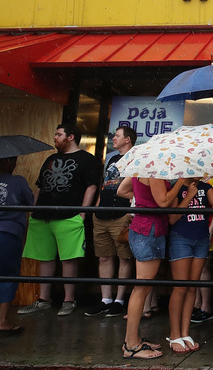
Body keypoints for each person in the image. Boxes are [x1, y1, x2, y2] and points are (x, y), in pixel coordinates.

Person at [17, 124, 101, 317]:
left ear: (70, 137)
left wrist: (82, 213)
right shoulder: (51, 158)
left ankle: (69, 300)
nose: (55, 137)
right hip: (42, 215)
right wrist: (33, 209)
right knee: (44, 258)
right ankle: (44, 300)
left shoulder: (86, 159)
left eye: (58, 134)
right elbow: (40, 185)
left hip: (69, 215)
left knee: (69, 259)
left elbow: (91, 186)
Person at [119, 176, 188, 359]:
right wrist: (180, 182)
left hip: (144, 227)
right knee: (141, 288)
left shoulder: (140, 168)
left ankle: (132, 339)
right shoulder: (154, 170)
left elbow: (122, 190)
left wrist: (143, 199)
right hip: (149, 229)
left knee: (142, 287)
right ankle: (132, 345)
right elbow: (164, 201)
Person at [166, 176, 213, 353]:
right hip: (181, 238)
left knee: (192, 287)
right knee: (181, 287)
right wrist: (189, 196)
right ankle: (174, 334)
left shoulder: (205, 186)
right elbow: (171, 219)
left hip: (201, 238)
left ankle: (185, 332)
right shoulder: (176, 186)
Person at [85, 126, 137, 318]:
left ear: (128, 140)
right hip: (102, 214)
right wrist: (96, 209)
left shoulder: (136, 158)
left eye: (117, 136)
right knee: (104, 257)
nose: (113, 138)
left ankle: (120, 300)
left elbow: (138, 187)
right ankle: (105, 299)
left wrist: (132, 210)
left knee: (124, 257)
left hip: (122, 213)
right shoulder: (112, 159)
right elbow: (105, 185)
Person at [0, 156, 34, 334]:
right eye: (12, 160)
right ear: (5, 163)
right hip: (8, 233)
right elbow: (31, 203)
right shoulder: (17, 181)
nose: (14, 164)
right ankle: (2, 321)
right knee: (7, 276)